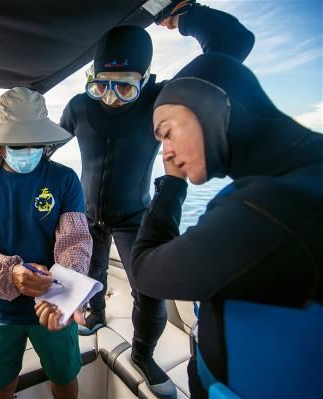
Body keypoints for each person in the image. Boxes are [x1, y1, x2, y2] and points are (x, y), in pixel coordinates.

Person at [58, 3, 254, 397]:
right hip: (87, 216)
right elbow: (44, 150)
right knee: (89, 275)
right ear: (91, 79)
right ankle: (94, 314)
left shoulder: (161, 99)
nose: (111, 98)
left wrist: (185, 14)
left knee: (151, 292)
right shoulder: (78, 106)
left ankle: (144, 357)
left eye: (125, 86)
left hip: (136, 216)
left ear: (146, 80)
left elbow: (234, 43)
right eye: (101, 85)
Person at [129, 52, 323, 399]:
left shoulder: (267, 207)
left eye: (168, 133)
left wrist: (171, 185)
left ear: (210, 104)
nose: (167, 153)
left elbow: (145, 268)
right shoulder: (303, 173)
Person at [0, 87, 92, 399]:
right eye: (18, 143)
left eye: (37, 142)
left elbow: (76, 242)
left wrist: (65, 293)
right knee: (0, 386)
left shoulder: (65, 179)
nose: (29, 149)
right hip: (1, 310)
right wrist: (11, 272)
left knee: (65, 378)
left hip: (54, 305)